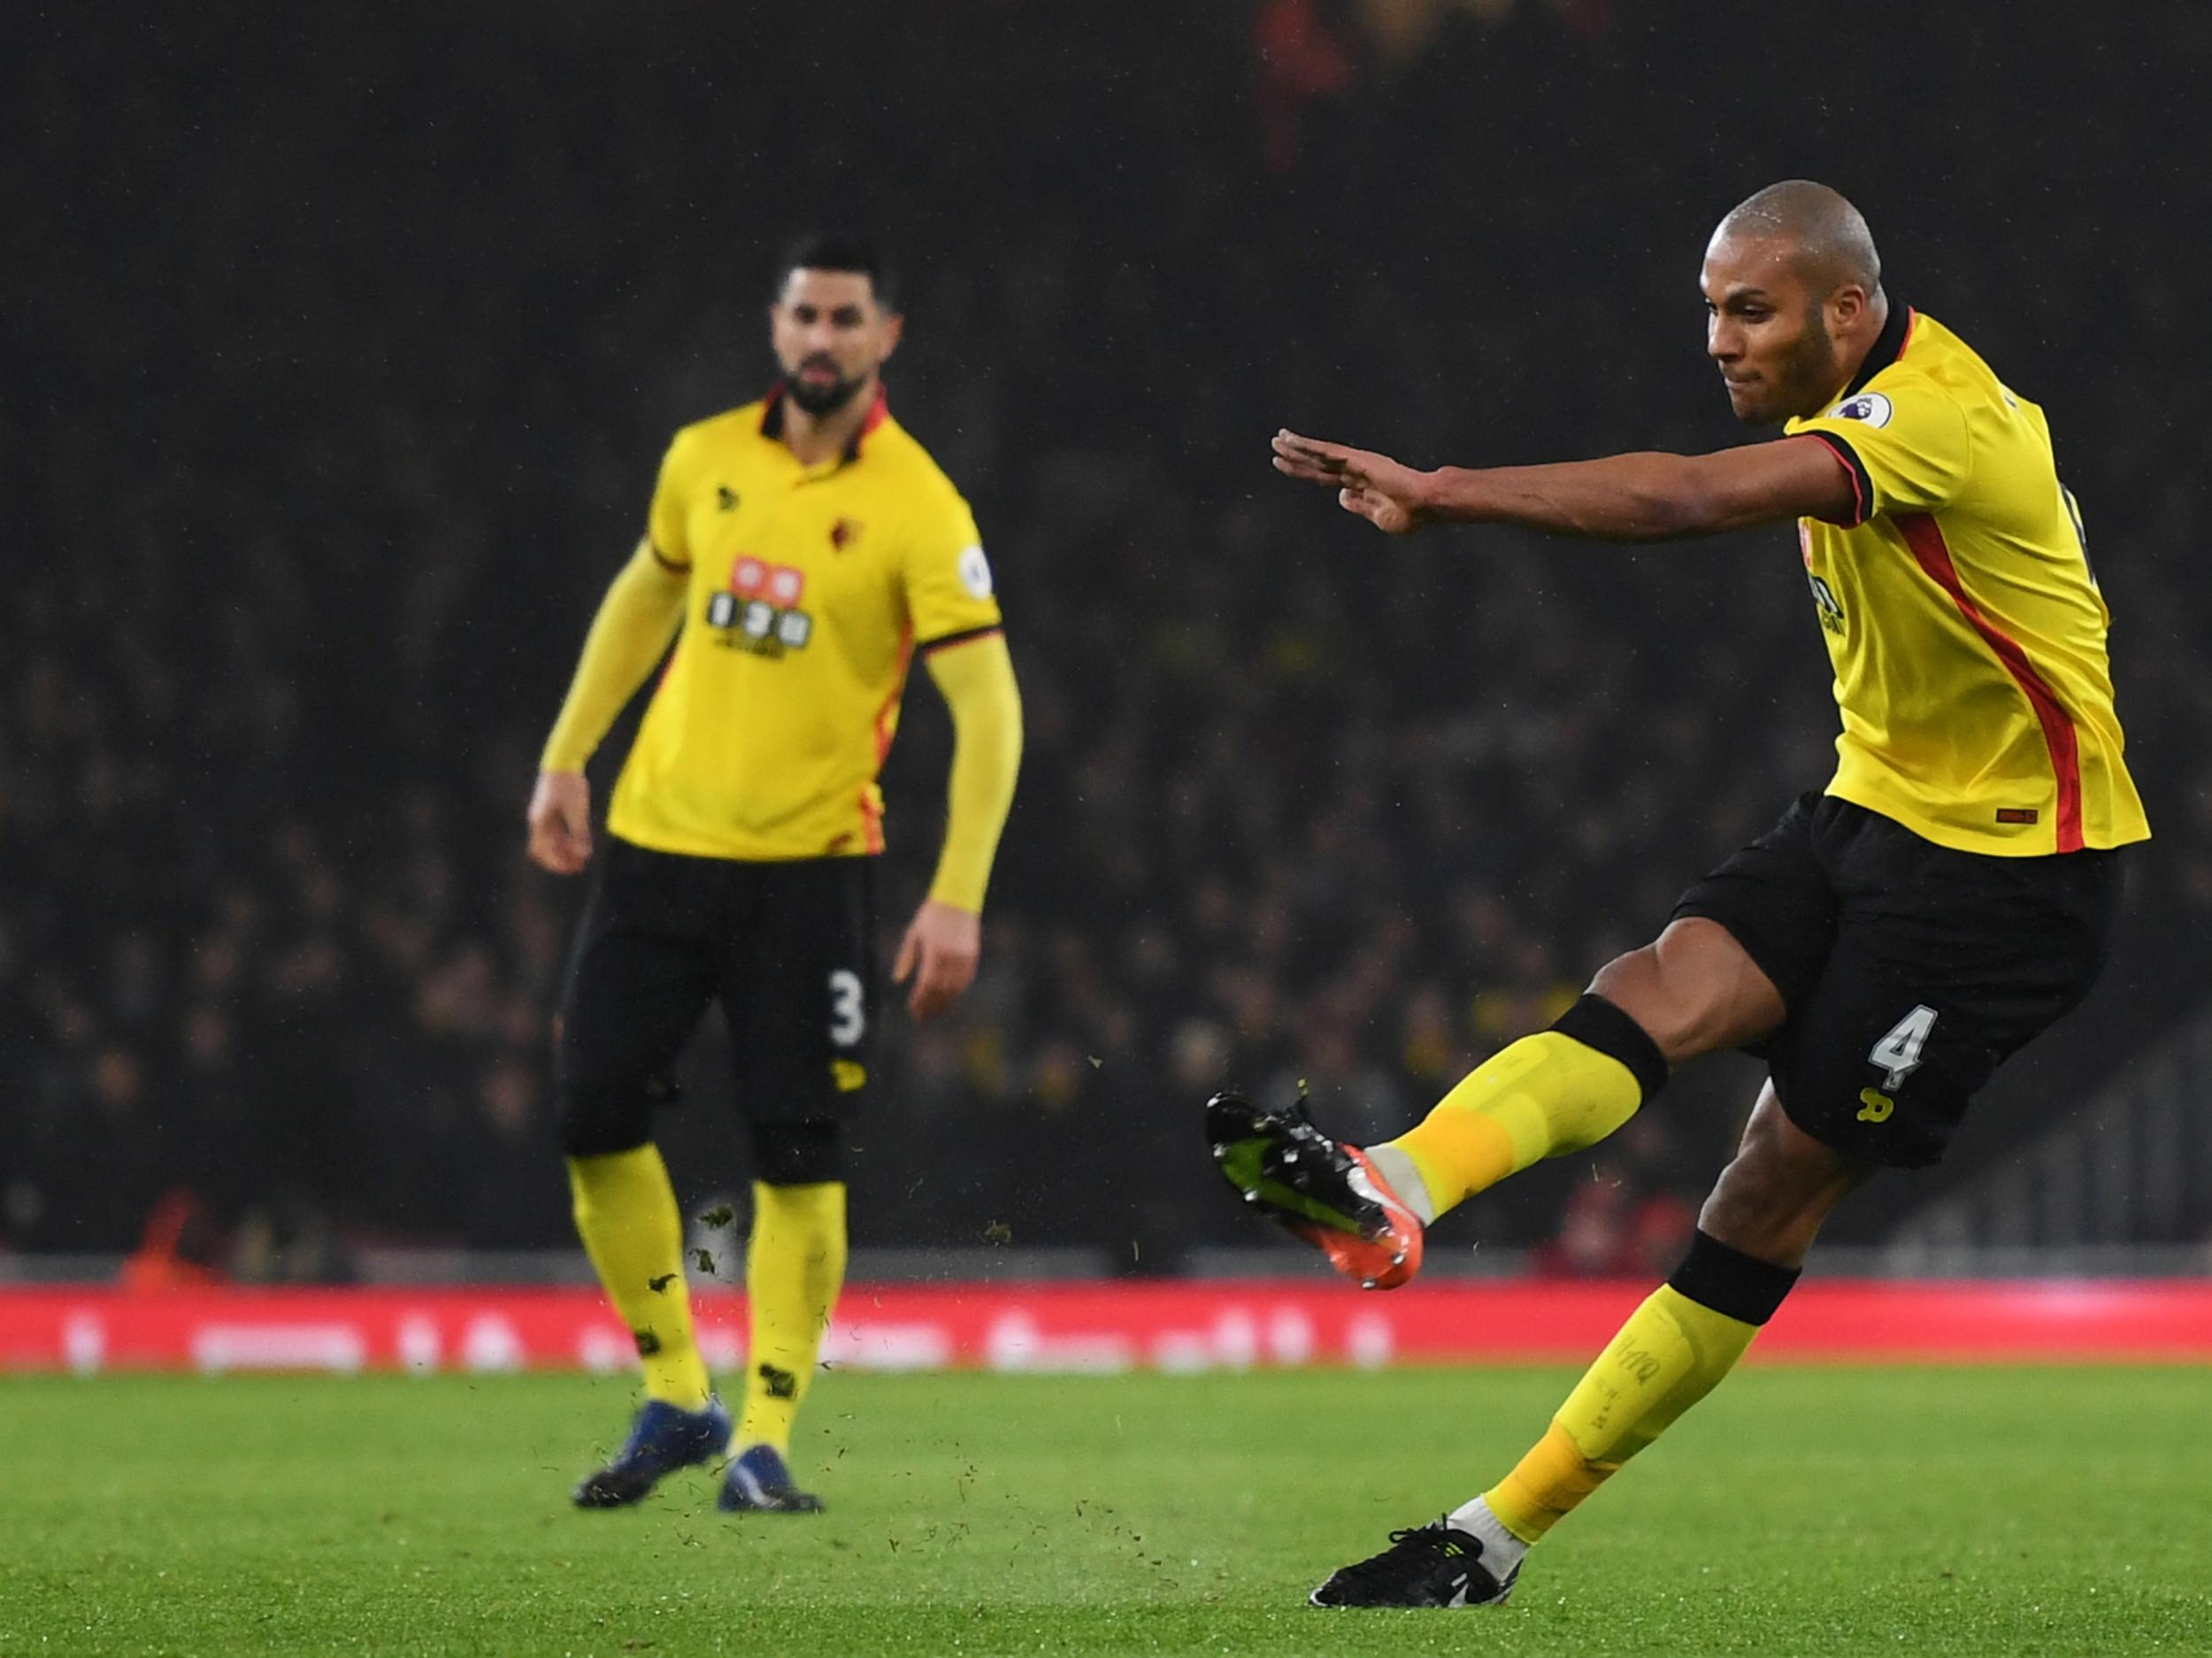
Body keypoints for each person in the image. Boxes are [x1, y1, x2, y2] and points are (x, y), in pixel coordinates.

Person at [1209, 180, 2146, 1607]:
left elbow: (1689, 496)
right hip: (1873, 807)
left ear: (1849, 309)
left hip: (2012, 879)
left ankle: (1491, 1534)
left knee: (1769, 1180)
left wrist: (1446, 490)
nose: (1719, 339)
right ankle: (1391, 1186)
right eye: (1710, 308)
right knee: (1653, 984)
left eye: (1750, 309)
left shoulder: (1939, 418)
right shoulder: (1845, 405)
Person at [528, 236, 1022, 1514]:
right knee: (591, 1113)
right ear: (775, 324)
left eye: (846, 318)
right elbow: (645, 597)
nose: (821, 336)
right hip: (654, 848)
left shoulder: (921, 505)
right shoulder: (706, 459)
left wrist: (958, 888)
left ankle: (764, 1434)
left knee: (797, 1152)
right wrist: (567, 756)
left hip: (809, 873)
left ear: (885, 335)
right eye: (804, 313)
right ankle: (675, 1393)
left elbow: (991, 710)